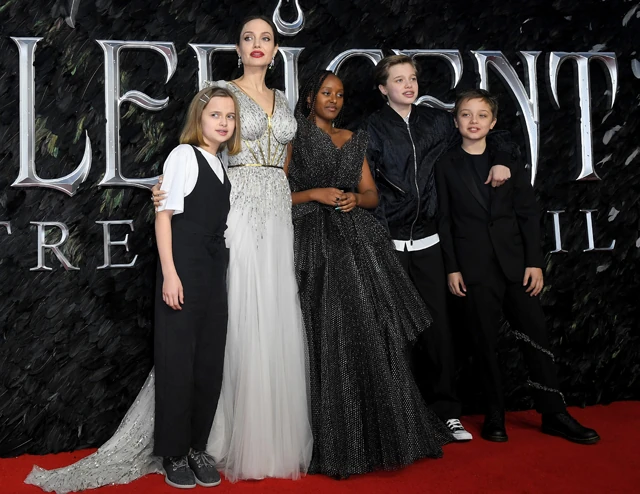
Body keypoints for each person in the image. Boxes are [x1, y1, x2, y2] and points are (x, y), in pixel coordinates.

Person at [25, 15, 312, 493]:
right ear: (237, 48)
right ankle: (209, 440)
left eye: (266, 37)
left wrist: (274, 190)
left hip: (275, 212)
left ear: (277, 48)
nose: (257, 44)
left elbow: (281, 159)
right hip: (234, 213)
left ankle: (255, 439)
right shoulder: (216, 110)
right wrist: (170, 198)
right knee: (228, 325)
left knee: (265, 319)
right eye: (248, 37)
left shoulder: (283, 100)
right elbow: (193, 172)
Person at [288, 70, 452, 478]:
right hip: (312, 243)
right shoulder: (294, 138)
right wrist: (315, 194)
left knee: (369, 334)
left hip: (356, 242)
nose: (333, 100)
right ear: (309, 98)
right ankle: (333, 441)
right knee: (324, 334)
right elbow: (276, 192)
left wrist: (353, 199)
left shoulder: (352, 138)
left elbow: (372, 195)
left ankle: (378, 435)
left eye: (340, 94)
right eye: (326, 93)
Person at [435, 88, 600, 444]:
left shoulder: (509, 161)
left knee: (536, 337)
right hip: (473, 268)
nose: (474, 121)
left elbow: (527, 214)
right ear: (455, 120)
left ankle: (554, 413)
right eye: (466, 114)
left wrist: (534, 263)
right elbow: (444, 221)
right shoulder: (445, 165)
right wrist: (452, 268)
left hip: (516, 266)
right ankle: (495, 415)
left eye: (482, 115)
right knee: (484, 344)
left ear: (493, 122)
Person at [365, 55, 512, 441]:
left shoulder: (437, 122)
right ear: (383, 88)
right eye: (399, 79)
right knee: (394, 332)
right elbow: (366, 188)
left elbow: (485, 135)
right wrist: (381, 241)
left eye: (412, 78)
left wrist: (502, 160)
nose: (408, 85)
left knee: (438, 331)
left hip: (430, 243)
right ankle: (401, 419)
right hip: (391, 244)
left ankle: (446, 412)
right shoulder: (370, 129)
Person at [153, 86, 237, 489]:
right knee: (177, 362)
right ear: (199, 118)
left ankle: (197, 447)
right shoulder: (183, 155)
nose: (223, 122)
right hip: (183, 266)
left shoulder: (221, 165)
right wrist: (170, 274)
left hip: (213, 267)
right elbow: (163, 217)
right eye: (215, 114)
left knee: (208, 362)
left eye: (230, 116)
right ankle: (173, 452)